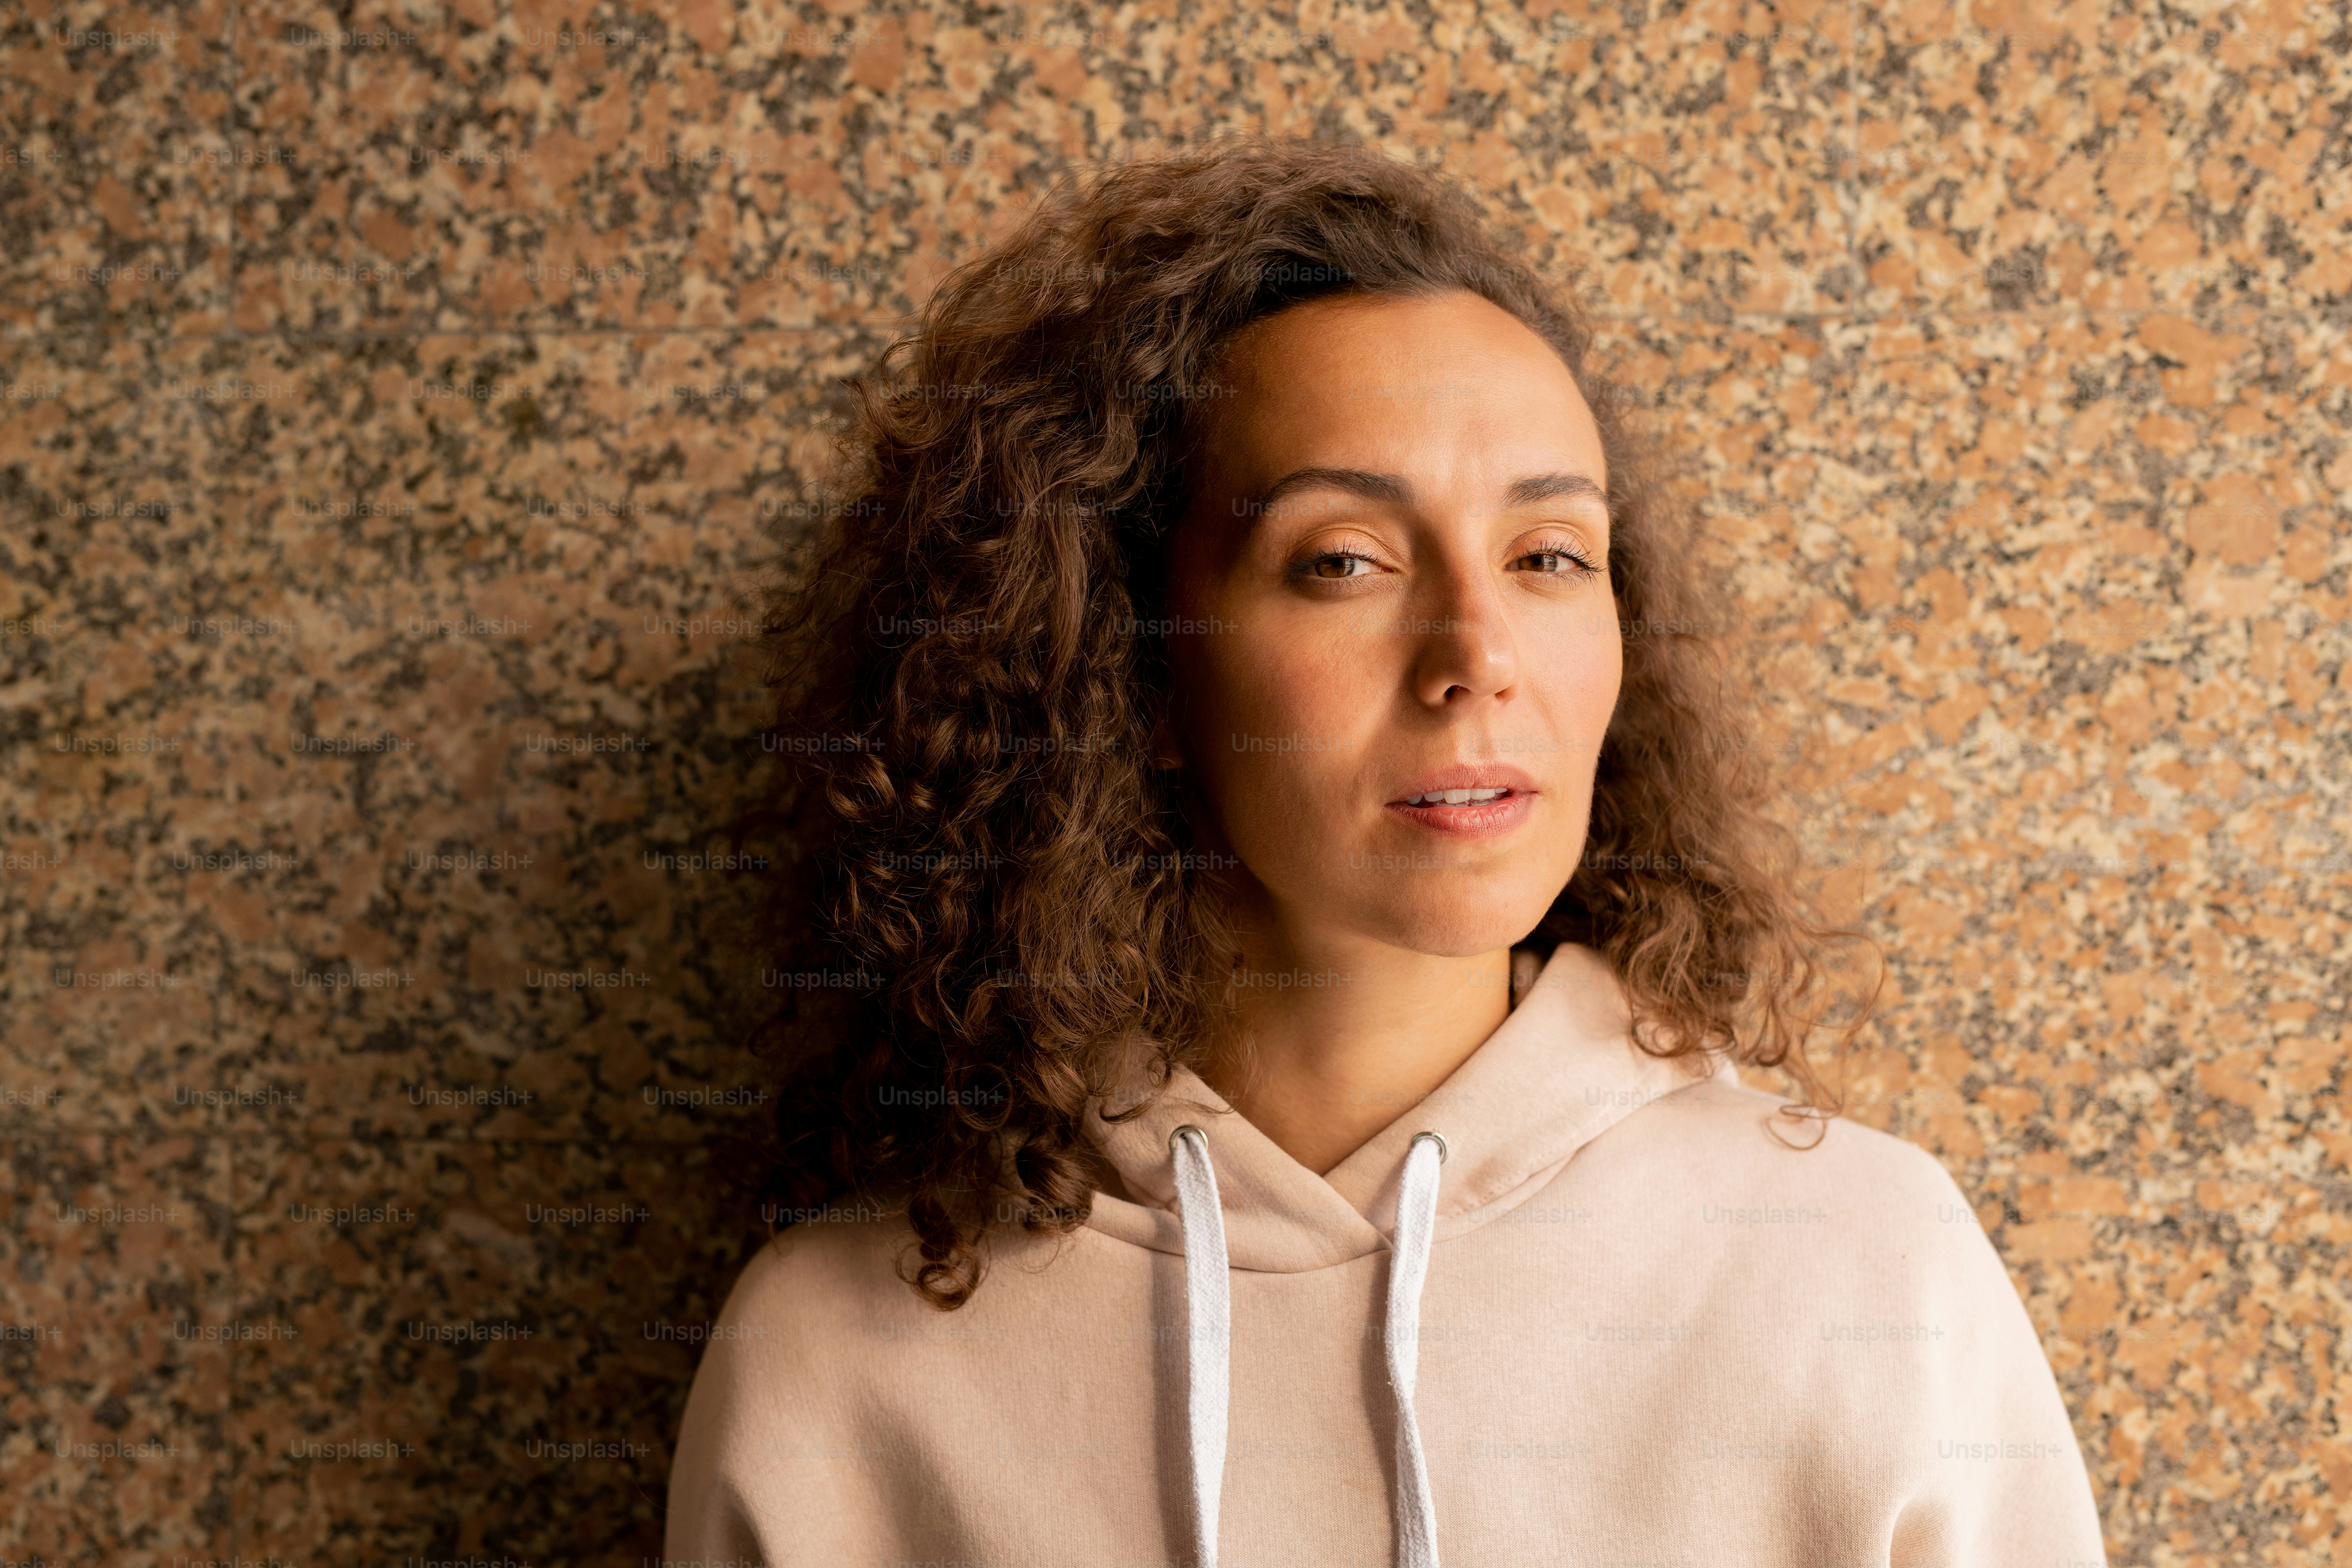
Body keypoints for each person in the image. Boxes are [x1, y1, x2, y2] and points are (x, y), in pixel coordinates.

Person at [665, 136, 2106, 1567]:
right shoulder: (843, 1352)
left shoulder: (1863, 1265)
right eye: (1344, 559)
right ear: (1136, 667)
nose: (1477, 658)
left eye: (1550, 556)